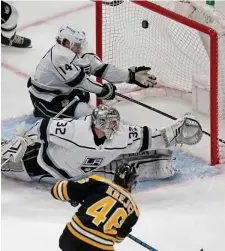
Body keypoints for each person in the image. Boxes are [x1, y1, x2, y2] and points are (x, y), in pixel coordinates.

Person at [1, 105, 203, 183]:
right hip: (39, 163)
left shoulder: (121, 135)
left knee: (136, 151)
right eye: (111, 123)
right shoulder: (76, 131)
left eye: (116, 122)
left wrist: (174, 133)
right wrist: (23, 138)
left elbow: (148, 136)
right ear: (99, 123)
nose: (116, 126)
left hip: (74, 172)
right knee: (5, 162)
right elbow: (44, 125)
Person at [27, 22, 157, 119]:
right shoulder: (58, 56)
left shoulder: (78, 48)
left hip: (65, 90)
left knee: (85, 96)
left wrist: (130, 76)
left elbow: (101, 69)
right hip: (46, 98)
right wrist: (103, 90)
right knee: (87, 115)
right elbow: (82, 82)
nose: (80, 47)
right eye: (76, 44)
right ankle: (42, 112)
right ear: (66, 42)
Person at [51, 163, 139, 251]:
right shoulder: (134, 211)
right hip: (100, 247)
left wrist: (77, 196)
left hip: (71, 239)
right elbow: (119, 239)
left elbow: (57, 190)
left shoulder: (98, 182)